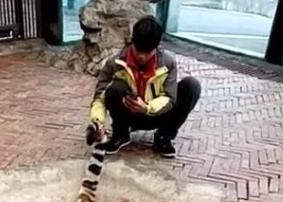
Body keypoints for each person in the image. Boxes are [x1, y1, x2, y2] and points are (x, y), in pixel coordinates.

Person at [86, 15, 201, 158]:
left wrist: (147, 107)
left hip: (156, 113)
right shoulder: (115, 63)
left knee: (192, 85)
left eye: (147, 52)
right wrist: (98, 123)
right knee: (115, 88)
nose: (142, 56)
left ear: (156, 47)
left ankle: (164, 137)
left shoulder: (168, 63)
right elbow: (100, 97)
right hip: (128, 114)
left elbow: (170, 98)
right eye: (138, 50)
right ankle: (120, 134)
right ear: (132, 42)